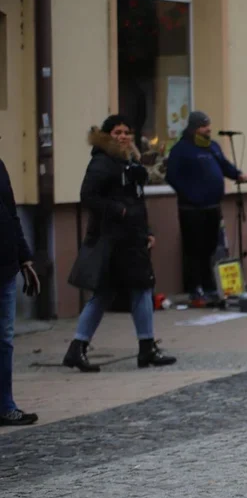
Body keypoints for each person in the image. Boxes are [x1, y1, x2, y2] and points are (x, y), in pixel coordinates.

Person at [64, 115, 176, 372]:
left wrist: (146, 230)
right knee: (111, 292)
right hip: (112, 239)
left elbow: (136, 200)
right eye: (117, 132)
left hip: (132, 238)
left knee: (138, 289)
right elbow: (88, 196)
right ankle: (79, 348)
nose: (123, 136)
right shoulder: (102, 162)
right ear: (107, 135)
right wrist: (119, 211)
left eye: (127, 131)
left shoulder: (128, 162)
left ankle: (144, 347)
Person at [165, 111, 247, 307]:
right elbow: (172, 176)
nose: (209, 129)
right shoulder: (181, 149)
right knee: (194, 249)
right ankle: (195, 289)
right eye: (204, 126)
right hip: (191, 209)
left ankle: (210, 286)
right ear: (194, 128)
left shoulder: (212, 147)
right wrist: (190, 194)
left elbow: (224, 166)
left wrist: (238, 175)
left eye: (209, 126)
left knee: (210, 248)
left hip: (212, 206)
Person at [0, 153, 39, 426]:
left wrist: (24, 257)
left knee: (4, 338)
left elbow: (12, 213)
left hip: (6, 264)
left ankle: (5, 405)